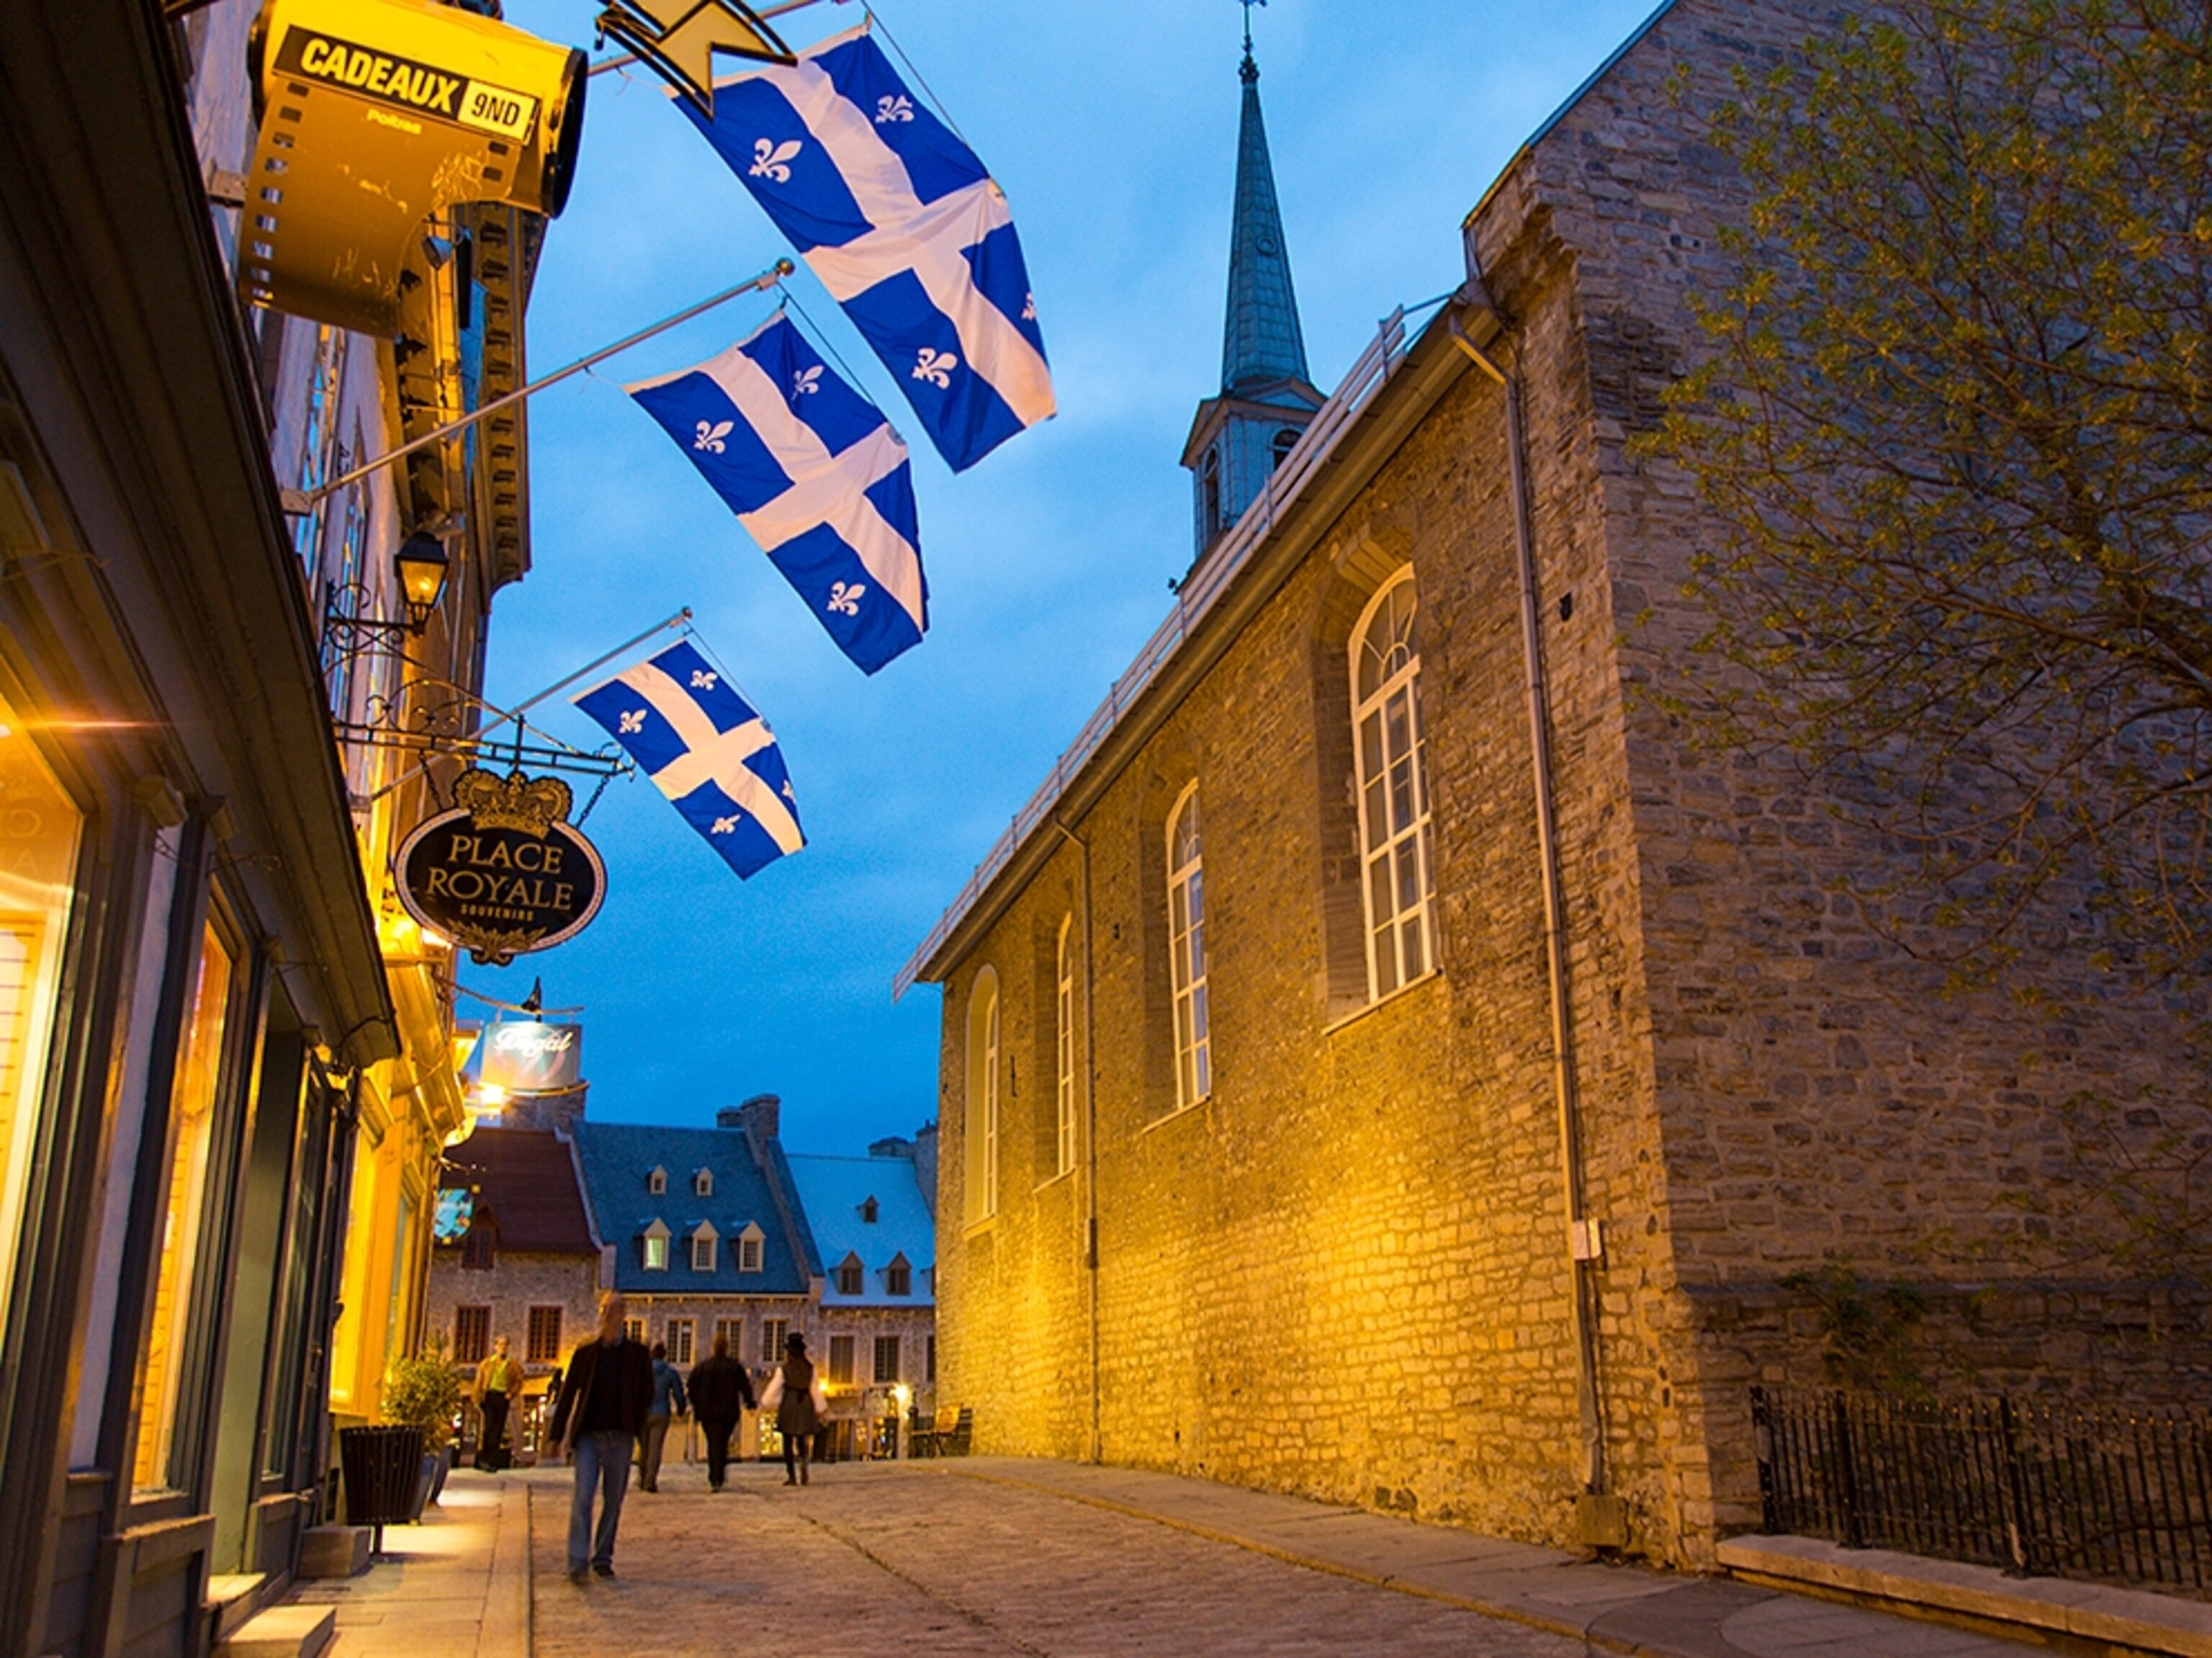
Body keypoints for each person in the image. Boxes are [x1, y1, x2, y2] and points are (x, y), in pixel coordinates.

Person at [547, 1291, 652, 1583]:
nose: (608, 1314)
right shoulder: (586, 1354)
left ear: (624, 1314)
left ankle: (602, 1557)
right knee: (583, 1497)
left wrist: (637, 1425)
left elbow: (646, 1392)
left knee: (614, 1499)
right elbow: (569, 1395)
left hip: (620, 1434)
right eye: (605, 1309)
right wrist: (556, 1436)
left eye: (614, 1309)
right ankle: (577, 1560)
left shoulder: (637, 1355)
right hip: (589, 1436)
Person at [687, 1332, 757, 1491]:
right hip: (728, 1412)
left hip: (708, 1412)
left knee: (713, 1443)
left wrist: (696, 1403)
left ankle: (714, 1477)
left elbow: (691, 1388)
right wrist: (750, 1403)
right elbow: (745, 1387)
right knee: (722, 1443)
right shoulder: (734, 1367)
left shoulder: (702, 1368)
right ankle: (719, 1475)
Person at [760, 1330, 827, 1486]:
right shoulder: (810, 1368)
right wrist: (820, 1408)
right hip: (805, 1402)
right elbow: (814, 1389)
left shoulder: (783, 1369)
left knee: (787, 1440)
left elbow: (776, 1387)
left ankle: (791, 1475)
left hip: (790, 1402)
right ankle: (804, 1463)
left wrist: (767, 1402)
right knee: (802, 1438)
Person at [637, 1340, 687, 1492]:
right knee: (655, 1449)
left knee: (644, 1448)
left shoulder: (642, 1371)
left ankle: (643, 1476)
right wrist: (681, 1408)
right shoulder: (669, 1372)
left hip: (643, 1413)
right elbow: (678, 1392)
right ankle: (650, 1481)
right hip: (661, 1412)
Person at [472, 1336, 520, 1471]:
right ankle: (483, 1458)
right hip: (489, 1395)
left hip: (502, 1396)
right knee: (489, 1428)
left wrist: (511, 1393)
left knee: (498, 1429)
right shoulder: (487, 1364)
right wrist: (477, 1398)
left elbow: (518, 1381)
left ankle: (491, 1460)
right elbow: (479, 1381)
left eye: (505, 1344)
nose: (503, 1347)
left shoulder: (512, 1365)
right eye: (500, 1344)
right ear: (495, 1347)